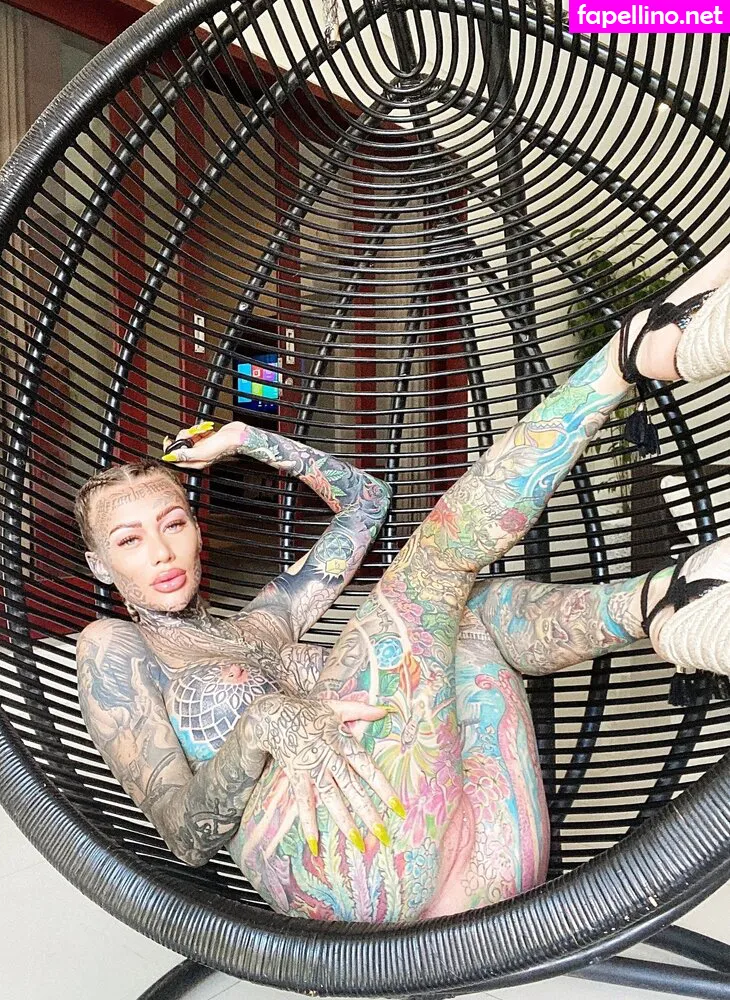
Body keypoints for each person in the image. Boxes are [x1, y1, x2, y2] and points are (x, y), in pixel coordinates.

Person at [74, 247, 730, 922]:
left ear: (195, 528)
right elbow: (184, 836)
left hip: (482, 861)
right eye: (129, 540)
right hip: (342, 870)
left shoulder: (270, 617)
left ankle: (675, 603)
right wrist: (262, 725)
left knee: (467, 614)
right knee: (433, 574)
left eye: (173, 523)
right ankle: (630, 365)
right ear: (101, 565)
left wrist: (248, 439)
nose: (161, 551)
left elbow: (365, 501)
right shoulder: (113, 647)